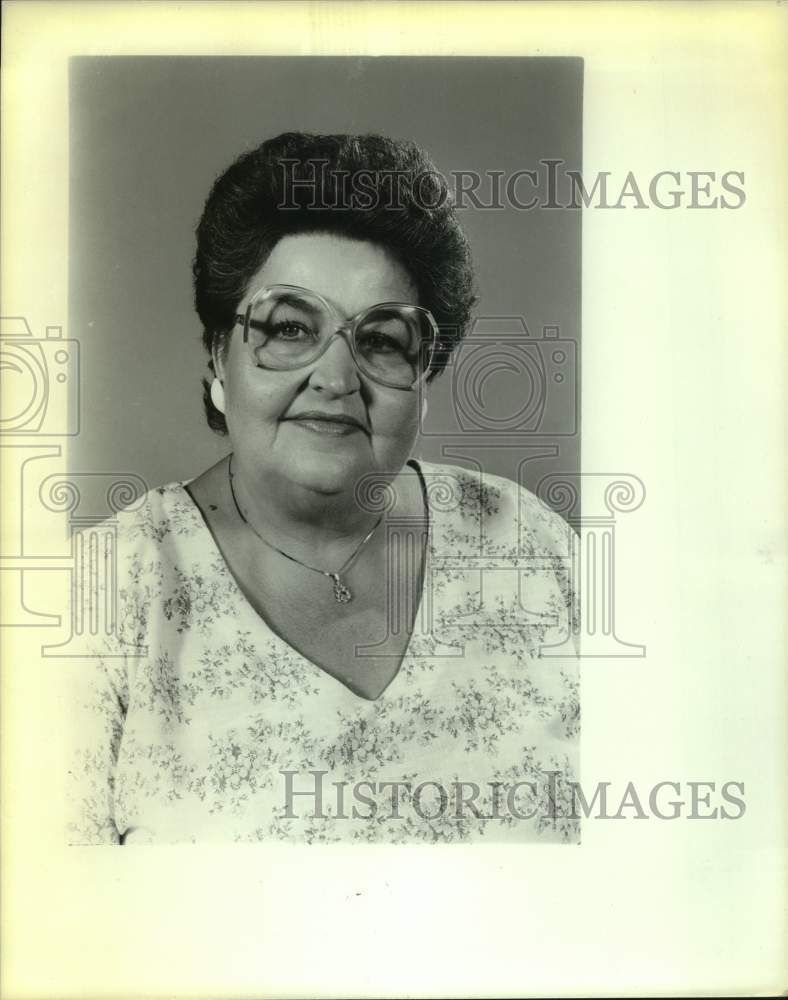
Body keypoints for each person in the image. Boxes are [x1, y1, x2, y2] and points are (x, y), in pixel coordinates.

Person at [67, 132, 579, 844]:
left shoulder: (530, 547)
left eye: (381, 341)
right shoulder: (101, 594)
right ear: (220, 355)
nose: (336, 379)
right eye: (288, 328)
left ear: (423, 377)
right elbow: (49, 922)